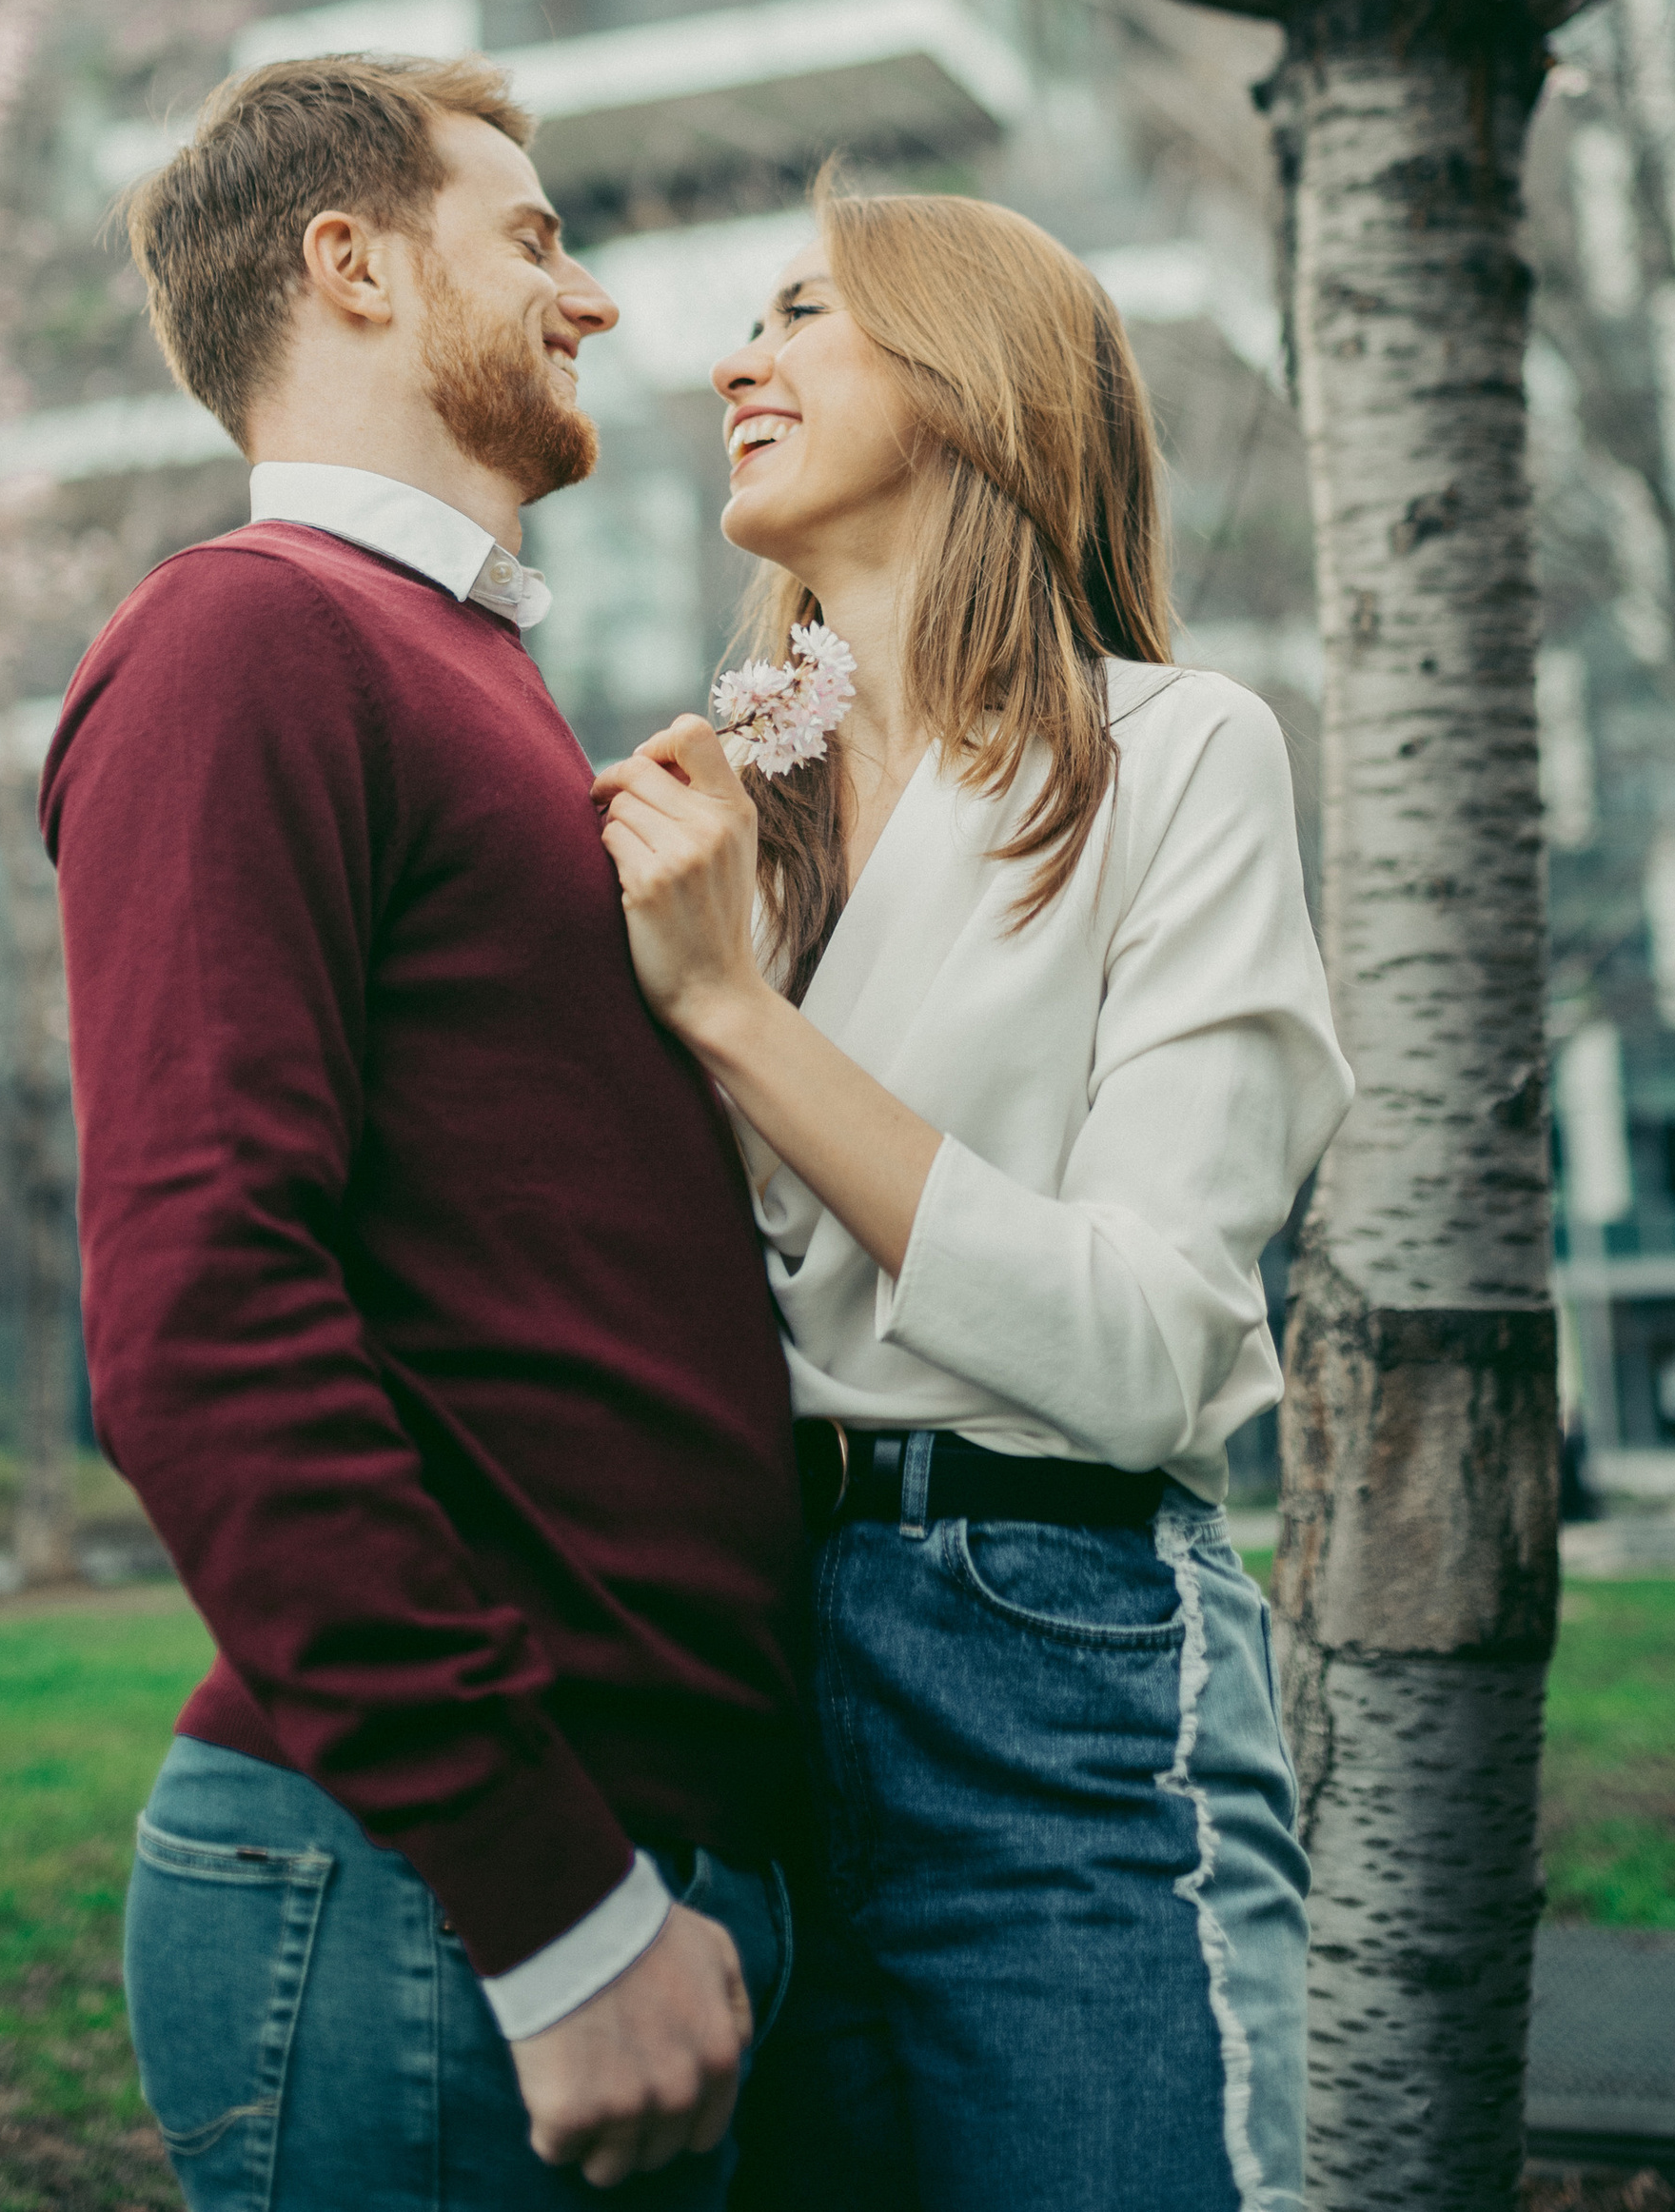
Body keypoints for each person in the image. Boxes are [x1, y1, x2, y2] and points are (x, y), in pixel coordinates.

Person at [42, 53, 804, 2210]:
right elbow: (199, 1313)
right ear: (351, 265)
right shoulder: (244, 636)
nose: (598, 301)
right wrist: (549, 1905)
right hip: (434, 1907)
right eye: (534, 239)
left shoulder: (460, 671)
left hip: (613, 1871)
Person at [593, 184, 1353, 2212]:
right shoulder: (713, 820)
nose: (734, 361)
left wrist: (734, 1019)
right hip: (739, 1697)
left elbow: (1144, 1349)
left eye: (800, 313)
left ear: (969, 378)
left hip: (1057, 1680)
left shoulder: (1171, 756)